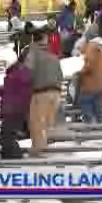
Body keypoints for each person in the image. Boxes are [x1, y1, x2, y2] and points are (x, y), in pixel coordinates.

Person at [25, 29, 64, 157]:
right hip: (56, 91)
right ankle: (43, 144)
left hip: (40, 91)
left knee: (36, 121)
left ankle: (38, 148)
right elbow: (60, 74)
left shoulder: (33, 53)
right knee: (47, 121)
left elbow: (27, 71)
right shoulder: (53, 54)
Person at [0, 48, 32, 159]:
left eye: (3, 62)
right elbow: (9, 92)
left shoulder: (19, 72)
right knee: (6, 137)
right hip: (11, 109)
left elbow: (21, 92)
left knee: (7, 137)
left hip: (15, 110)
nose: (2, 65)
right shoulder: (14, 72)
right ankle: (9, 156)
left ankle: (13, 158)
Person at [78, 37, 102, 124]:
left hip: (90, 84)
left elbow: (89, 65)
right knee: (98, 106)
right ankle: (98, 123)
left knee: (86, 103)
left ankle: (89, 124)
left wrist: (81, 73)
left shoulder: (91, 47)